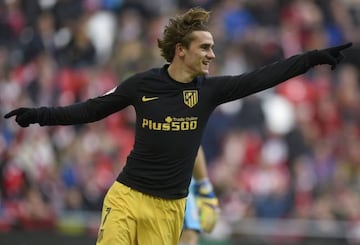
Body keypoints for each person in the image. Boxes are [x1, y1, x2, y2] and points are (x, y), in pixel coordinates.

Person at [4, 7, 352, 245]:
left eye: (213, 48)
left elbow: (263, 77)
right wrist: (39, 115)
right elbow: (91, 111)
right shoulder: (142, 85)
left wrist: (311, 59)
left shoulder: (211, 91)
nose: (212, 54)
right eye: (205, 47)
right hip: (126, 198)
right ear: (181, 50)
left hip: (169, 210)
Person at [180, 146, 219, 245]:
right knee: (190, 236)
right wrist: (205, 189)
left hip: (183, 182)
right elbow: (192, 143)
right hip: (178, 183)